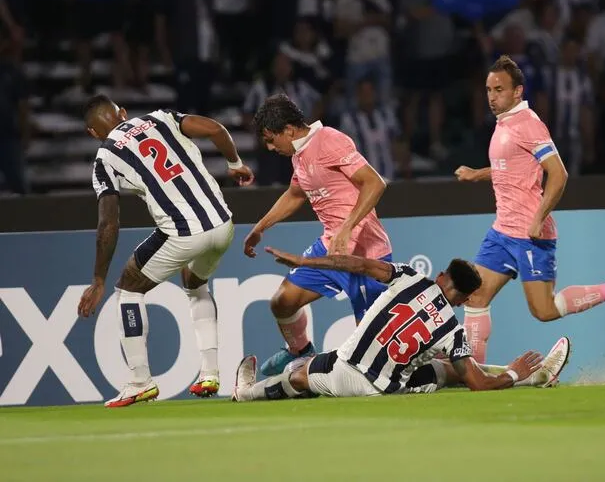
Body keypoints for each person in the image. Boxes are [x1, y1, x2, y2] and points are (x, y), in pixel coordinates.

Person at [454, 55, 605, 364]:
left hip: (531, 235)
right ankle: (473, 373)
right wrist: (476, 174)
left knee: (544, 310)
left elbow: (559, 174)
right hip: (502, 232)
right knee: (475, 296)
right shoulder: (505, 122)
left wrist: (538, 219)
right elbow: (510, 168)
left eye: (499, 90)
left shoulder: (529, 124)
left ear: (517, 91)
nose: (492, 97)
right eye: (489, 90)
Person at [77, 95, 254, 407]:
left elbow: (108, 223)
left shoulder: (104, 157)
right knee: (195, 283)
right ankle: (210, 373)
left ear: (93, 133)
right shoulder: (160, 117)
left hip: (184, 233)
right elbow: (215, 129)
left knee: (128, 289)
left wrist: (98, 279)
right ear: (123, 112)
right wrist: (235, 163)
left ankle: (139, 381)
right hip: (223, 224)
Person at [231, 248, 572, 401]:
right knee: (452, 370)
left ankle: (246, 394)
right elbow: (478, 384)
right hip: (389, 390)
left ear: (442, 275)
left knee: (298, 374)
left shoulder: (409, 276)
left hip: (346, 374)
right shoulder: (452, 331)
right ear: (465, 299)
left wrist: (305, 261)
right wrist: (512, 373)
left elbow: (357, 265)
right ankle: (536, 375)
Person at [244, 94, 391, 377]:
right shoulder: (299, 153)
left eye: (272, 139)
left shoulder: (329, 140)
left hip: (363, 252)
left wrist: (347, 227)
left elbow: (375, 183)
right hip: (330, 247)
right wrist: (260, 227)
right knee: (283, 301)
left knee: (370, 354)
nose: (270, 147)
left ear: (289, 130)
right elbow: (295, 193)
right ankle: (300, 351)